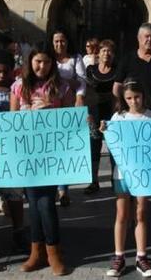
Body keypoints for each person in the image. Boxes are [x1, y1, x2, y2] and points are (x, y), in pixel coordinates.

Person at [10, 47, 74, 276]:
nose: (41, 67)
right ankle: (36, 252)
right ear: (30, 61)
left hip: (51, 154)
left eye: (46, 62)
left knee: (46, 202)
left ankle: (53, 252)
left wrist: (51, 114)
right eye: (38, 61)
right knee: (34, 203)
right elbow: (12, 120)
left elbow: (70, 120)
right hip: (28, 153)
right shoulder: (19, 86)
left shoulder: (61, 86)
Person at [101, 80, 151, 278]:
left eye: (137, 97)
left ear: (143, 95)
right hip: (123, 174)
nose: (134, 101)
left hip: (144, 174)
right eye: (129, 98)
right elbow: (111, 144)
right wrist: (104, 131)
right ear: (123, 99)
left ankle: (141, 256)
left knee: (141, 213)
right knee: (122, 215)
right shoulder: (118, 117)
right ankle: (119, 256)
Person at [0, 49, 28, 253]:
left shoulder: (17, 90)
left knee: (15, 196)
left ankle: (19, 231)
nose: (2, 75)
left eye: (6, 71)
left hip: (12, 152)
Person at [51, 29, 87, 206]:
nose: (59, 44)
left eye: (62, 41)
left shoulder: (76, 58)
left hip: (68, 107)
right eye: (56, 41)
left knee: (64, 149)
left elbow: (81, 80)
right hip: (50, 108)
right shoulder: (48, 59)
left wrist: (80, 97)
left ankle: (63, 189)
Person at [85, 39, 118, 195]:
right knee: (94, 147)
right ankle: (94, 181)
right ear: (98, 53)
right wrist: (87, 112)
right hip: (94, 112)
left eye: (110, 51)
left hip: (111, 112)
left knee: (113, 148)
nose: (107, 54)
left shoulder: (117, 71)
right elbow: (87, 91)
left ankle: (114, 179)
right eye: (104, 50)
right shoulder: (90, 70)